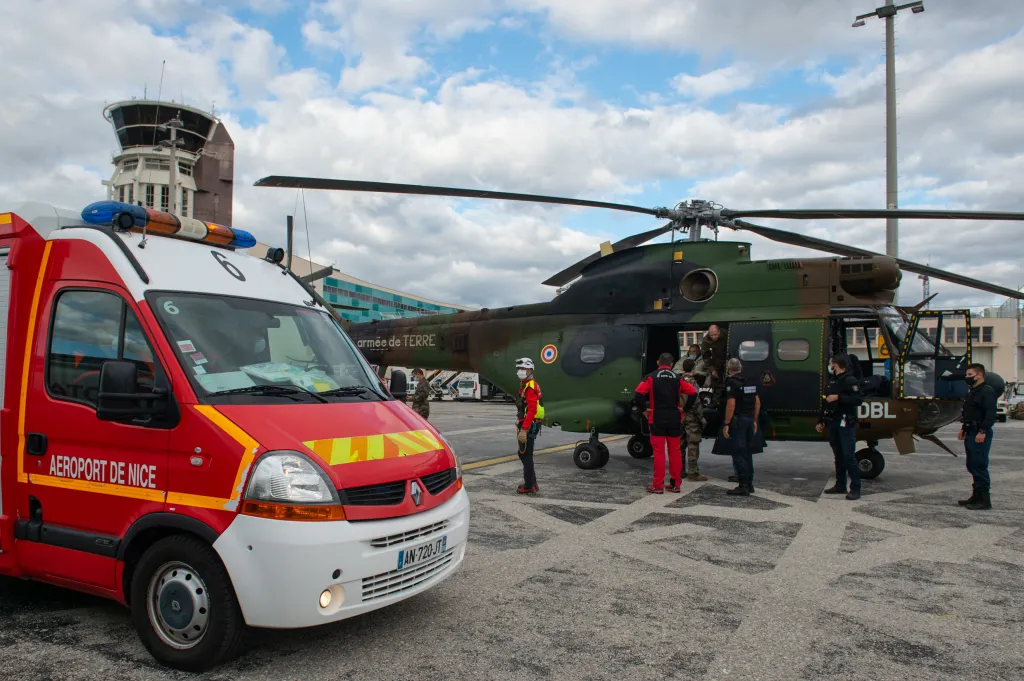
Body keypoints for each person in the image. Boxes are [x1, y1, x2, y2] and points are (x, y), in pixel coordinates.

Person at [634, 353, 698, 493]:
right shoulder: (677, 378)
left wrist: (644, 410)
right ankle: (676, 484)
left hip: (657, 416)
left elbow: (638, 393)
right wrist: (685, 409)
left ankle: (657, 485)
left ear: (658, 362)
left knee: (659, 452)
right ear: (671, 364)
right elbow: (693, 392)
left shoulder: (651, 376)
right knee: (675, 451)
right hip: (675, 416)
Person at [817, 355, 864, 500]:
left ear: (836, 365)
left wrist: (839, 397)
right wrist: (821, 421)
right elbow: (826, 403)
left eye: (831, 363)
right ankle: (840, 484)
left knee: (849, 456)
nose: (829, 365)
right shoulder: (833, 381)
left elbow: (858, 400)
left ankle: (855, 488)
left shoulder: (850, 381)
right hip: (833, 421)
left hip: (846, 423)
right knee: (838, 455)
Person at [957, 363, 997, 510]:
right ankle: (976, 496)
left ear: (979, 375)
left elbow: (990, 415)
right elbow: (969, 412)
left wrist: (983, 431)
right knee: (972, 464)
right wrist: (964, 428)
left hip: (980, 431)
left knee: (979, 464)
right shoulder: (973, 391)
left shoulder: (986, 392)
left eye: (970, 375)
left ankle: (984, 499)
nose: (967, 377)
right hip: (971, 430)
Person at [720, 358, 759, 496]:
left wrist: (726, 423)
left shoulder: (732, 382)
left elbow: (731, 404)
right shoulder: (750, 381)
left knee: (738, 452)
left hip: (739, 420)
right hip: (749, 419)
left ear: (729, 368)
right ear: (740, 367)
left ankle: (743, 485)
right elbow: (757, 402)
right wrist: (754, 420)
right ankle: (749, 483)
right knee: (747, 453)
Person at [515, 357, 544, 495]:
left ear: (530, 370)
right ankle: (533, 483)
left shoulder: (530, 387)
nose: (520, 371)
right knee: (524, 454)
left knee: (525, 455)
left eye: (523, 369)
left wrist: (524, 429)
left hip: (529, 424)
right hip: (528, 423)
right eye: (519, 369)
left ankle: (529, 485)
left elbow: (532, 410)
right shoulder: (527, 385)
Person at [679, 358, 709, 481]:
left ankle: (679, 470)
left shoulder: (678, 381)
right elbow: (695, 402)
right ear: (693, 368)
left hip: (679, 416)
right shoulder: (693, 383)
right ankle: (693, 472)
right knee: (693, 444)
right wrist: (701, 418)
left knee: (680, 445)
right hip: (691, 417)